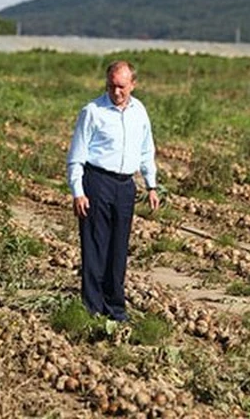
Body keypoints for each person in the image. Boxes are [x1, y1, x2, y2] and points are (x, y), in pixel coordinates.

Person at [67, 60, 160, 321]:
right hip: (97, 182)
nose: (116, 92)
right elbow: (77, 155)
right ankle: (92, 308)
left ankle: (115, 308)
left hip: (125, 186)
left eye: (121, 87)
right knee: (95, 245)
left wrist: (151, 185)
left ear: (133, 84)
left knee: (119, 247)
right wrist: (78, 191)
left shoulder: (139, 111)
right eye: (111, 86)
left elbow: (146, 150)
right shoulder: (92, 111)